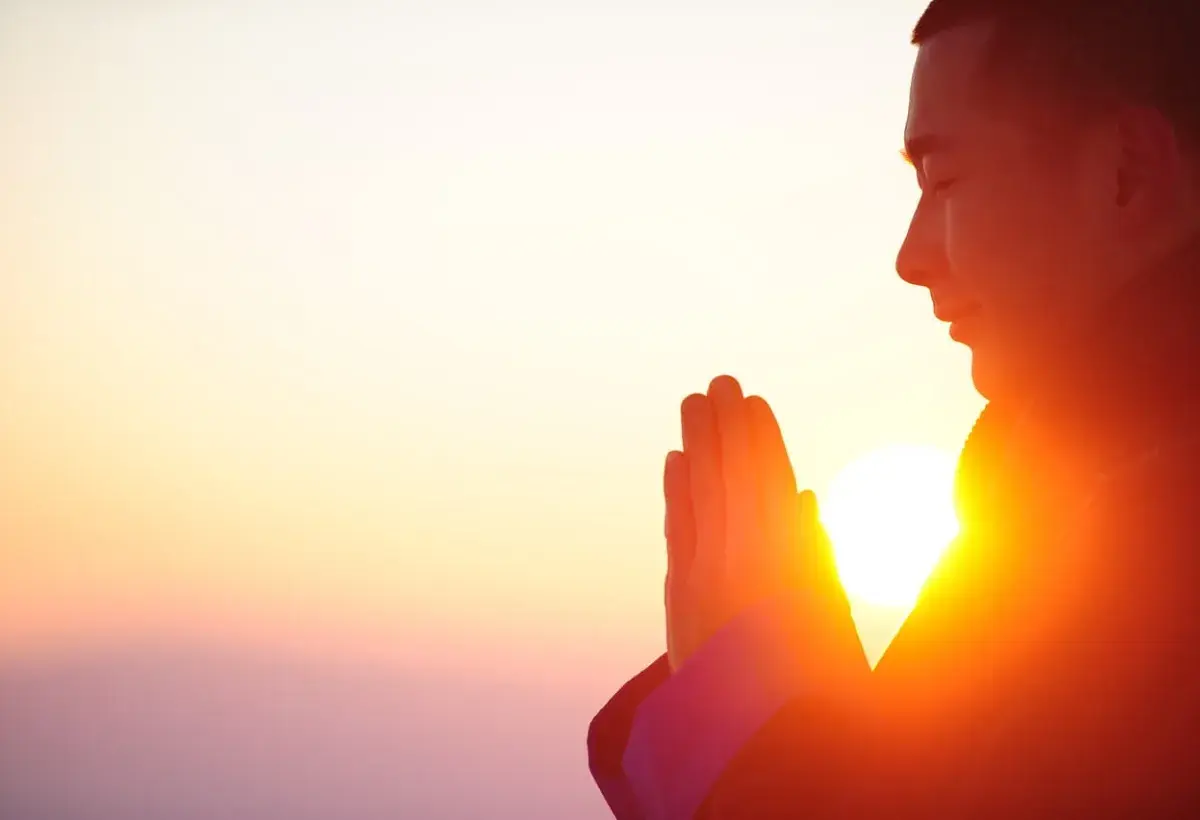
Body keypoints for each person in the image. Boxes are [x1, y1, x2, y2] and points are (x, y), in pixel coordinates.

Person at [587, 1, 1200, 817]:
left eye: (945, 180)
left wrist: (742, 728)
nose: (910, 259)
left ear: (1128, 173)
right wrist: (825, 709)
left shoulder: (1152, 570)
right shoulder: (1042, 534)